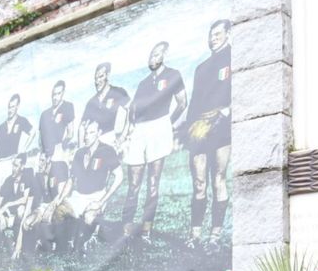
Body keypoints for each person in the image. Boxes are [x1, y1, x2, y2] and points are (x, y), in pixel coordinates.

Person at [121, 41, 188, 240]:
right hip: (139, 131)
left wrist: (167, 124)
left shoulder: (173, 75)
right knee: (133, 184)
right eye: (151, 54)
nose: (153, 58)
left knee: (152, 184)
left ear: (164, 56)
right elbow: (133, 110)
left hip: (159, 127)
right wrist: (129, 128)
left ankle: (146, 231)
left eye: (157, 54)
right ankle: (125, 231)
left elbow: (182, 103)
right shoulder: (143, 83)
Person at [185, 19, 232, 246]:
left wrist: (225, 111)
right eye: (210, 35)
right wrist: (189, 129)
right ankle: (195, 235)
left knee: (218, 179)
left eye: (217, 34)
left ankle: (215, 235)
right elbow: (194, 101)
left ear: (228, 33)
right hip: (200, 128)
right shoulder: (201, 68)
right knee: (199, 182)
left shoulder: (235, 58)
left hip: (223, 126)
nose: (212, 39)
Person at [62, 121, 123, 251]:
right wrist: (59, 200)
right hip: (79, 195)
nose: (86, 137)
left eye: (91, 133)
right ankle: (67, 238)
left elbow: (119, 177)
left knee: (88, 218)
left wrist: (101, 202)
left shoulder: (107, 151)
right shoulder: (79, 153)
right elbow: (71, 180)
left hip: (97, 196)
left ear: (99, 133)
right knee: (58, 212)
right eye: (85, 133)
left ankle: (90, 236)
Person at [0, 93, 34, 191]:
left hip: (11, 161)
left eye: (13, 107)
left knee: (6, 190)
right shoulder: (2, 126)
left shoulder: (21, 121)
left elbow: (32, 132)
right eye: (9, 107)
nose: (10, 110)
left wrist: (24, 149)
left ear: (17, 106)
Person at [80, 62, 130, 148]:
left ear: (108, 75)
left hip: (111, 140)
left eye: (101, 77)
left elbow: (131, 111)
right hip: (94, 144)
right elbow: (82, 127)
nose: (97, 81)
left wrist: (123, 136)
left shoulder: (118, 92)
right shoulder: (91, 102)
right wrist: (81, 148)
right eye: (95, 78)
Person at [37, 80, 76, 165]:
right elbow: (40, 139)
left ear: (63, 93)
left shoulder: (67, 107)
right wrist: (43, 153)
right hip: (44, 154)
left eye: (58, 94)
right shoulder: (44, 114)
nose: (55, 97)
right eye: (54, 94)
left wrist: (61, 146)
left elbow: (70, 133)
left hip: (58, 151)